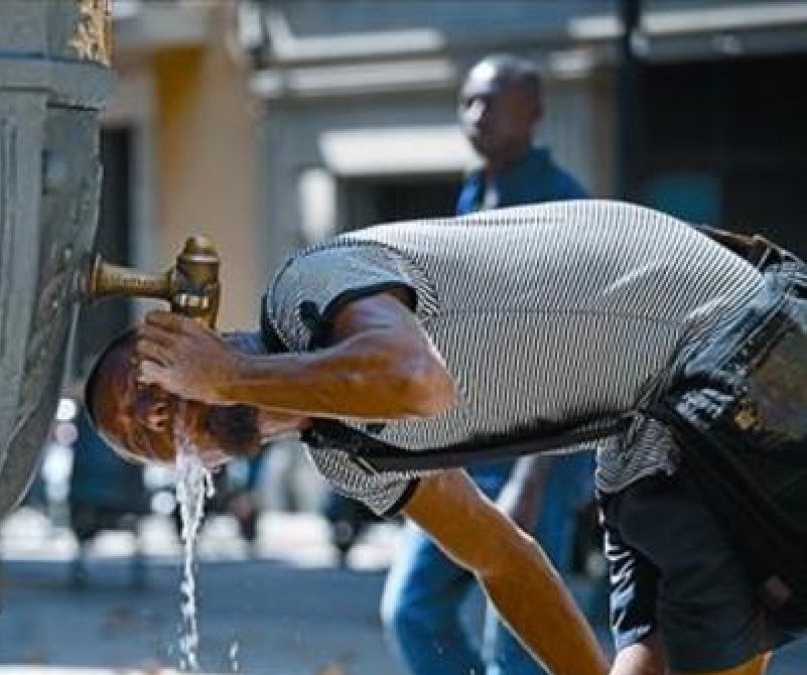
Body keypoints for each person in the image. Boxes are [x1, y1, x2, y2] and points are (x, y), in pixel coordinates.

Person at [85, 199, 794, 674]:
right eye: (144, 440)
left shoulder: (308, 287)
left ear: (195, 340)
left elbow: (419, 380)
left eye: (148, 384)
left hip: (729, 338)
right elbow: (502, 561)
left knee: (712, 651)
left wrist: (232, 374)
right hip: (652, 420)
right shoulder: (350, 456)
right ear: (201, 466)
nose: (153, 419)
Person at [380, 52, 596, 675]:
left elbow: (575, 353)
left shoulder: (560, 207)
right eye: (467, 101)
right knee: (412, 610)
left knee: (520, 644)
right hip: (461, 450)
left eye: (492, 101)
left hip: (537, 454)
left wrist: (534, 478)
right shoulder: (474, 192)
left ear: (533, 111)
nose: (476, 114)